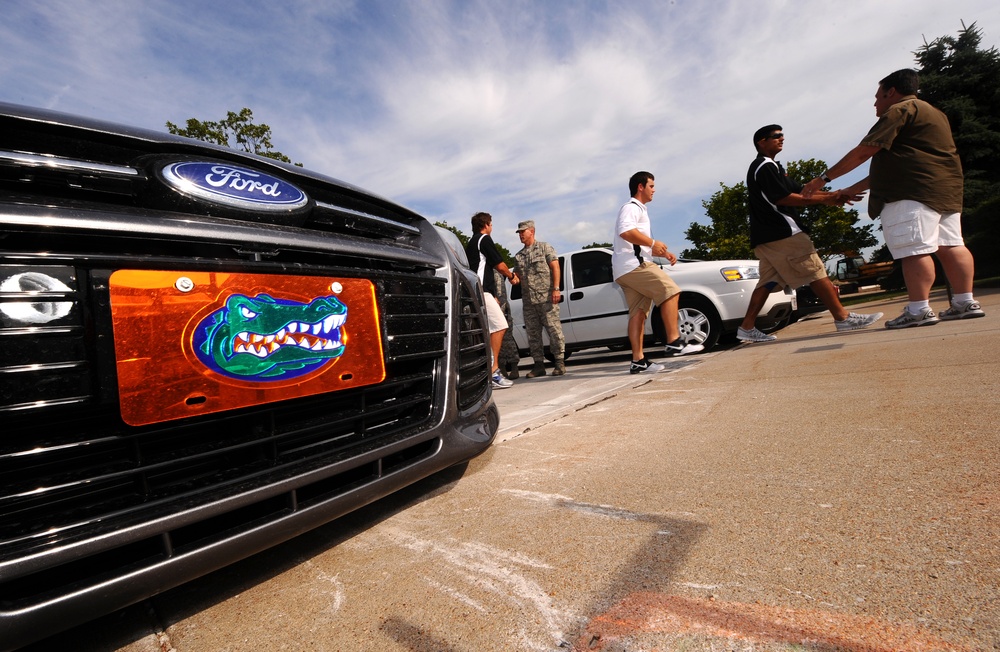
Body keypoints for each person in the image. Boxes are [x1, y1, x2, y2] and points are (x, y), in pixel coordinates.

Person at [802, 69, 983, 328]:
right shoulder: (935, 114)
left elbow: (865, 151)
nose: (876, 103)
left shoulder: (900, 110)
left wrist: (822, 179)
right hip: (944, 190)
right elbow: (900, 161)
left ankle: (919, 309)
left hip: (909, 193)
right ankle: (965, 302)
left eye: (878, 97)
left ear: (891, 92)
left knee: (914, 250)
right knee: (952, 245)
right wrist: (853, 188)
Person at [736, 125, 883, 343]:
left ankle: (746, 327)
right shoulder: (764, 166)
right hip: (783, 232)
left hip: (767, 237)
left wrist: (834, 195)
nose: (782, 139)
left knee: (768, 282)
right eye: (776, 136)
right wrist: (828, 198)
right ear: (761, 142)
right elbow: (782, 197)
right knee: (814, 270)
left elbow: (803, 192)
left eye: (782, 135)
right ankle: (842, 317)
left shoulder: (773, 167)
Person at [612, 171, 704, 374]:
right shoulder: (631, 207)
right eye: (651, 186)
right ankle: (674, 341)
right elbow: (625, 232)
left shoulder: (638, 210)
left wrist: (662, 251)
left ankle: (638, 361)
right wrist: (653, 243)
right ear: (640, 187)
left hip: (625, 269)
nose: (654, 190)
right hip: (634, 266)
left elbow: (636, 241)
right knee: (671, 290)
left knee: (637, 314)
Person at [465, 212, 520, 389]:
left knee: (486, 331)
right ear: (487, 224)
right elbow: (499, 264)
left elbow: (479, 269)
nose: (492, 227)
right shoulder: (484, 239)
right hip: (480, 291)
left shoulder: (471, 242)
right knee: (500, 326)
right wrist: (512, 276)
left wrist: (492, 294)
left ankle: (486, 372)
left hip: (479, 291)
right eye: (491, 224)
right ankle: (493, 371)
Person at [513, 220, 566, 377]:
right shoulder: (518, 256)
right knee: (533, 334)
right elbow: (517, 277)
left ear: (532, 231)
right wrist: (510, 276)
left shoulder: (544, 248)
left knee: (554, 331)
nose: (521, 234)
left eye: (523, 231)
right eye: (519, 232)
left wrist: (556, 289)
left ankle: (559, 363)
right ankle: (538, 366)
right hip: (529, 302)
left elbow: (555, 267)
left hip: (546, 299)